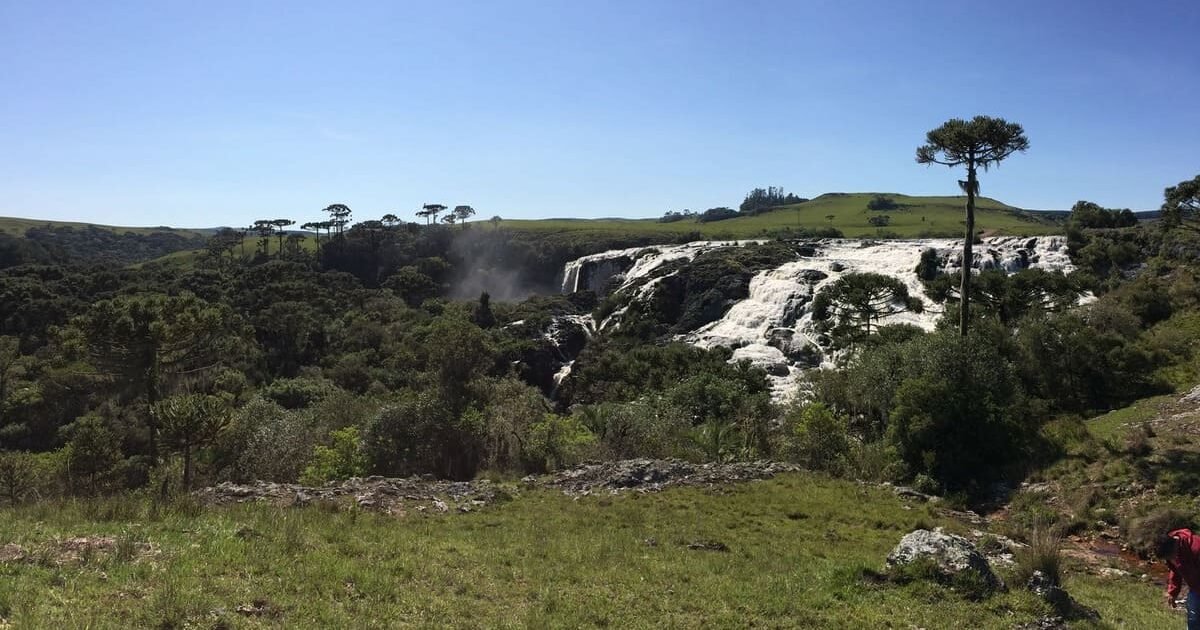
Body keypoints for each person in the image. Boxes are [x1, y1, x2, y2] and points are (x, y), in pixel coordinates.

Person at [1158, 528, 1200, 629]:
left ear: (1175, 546)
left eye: (1172, 556)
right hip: (1195, 588)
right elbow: (1175, 570)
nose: (1172, 560)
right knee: (1193, 618)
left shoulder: (1196, 547)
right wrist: (1173, 592)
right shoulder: (1170, 550)